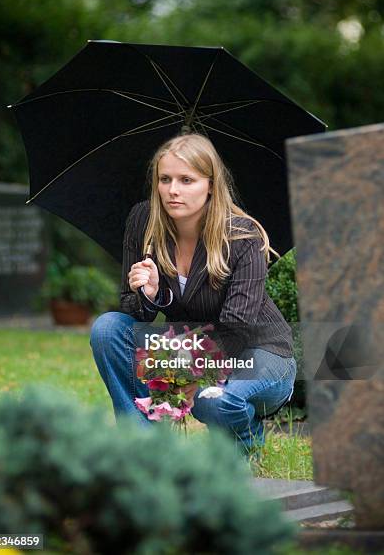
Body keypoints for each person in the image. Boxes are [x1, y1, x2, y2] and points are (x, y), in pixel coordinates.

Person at [90, 133, 296, 454]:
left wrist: (187, 371)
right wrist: (149, 293)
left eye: (187, 180)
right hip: (190, 344)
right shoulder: (143, 221)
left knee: (212, 399)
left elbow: (237, 326)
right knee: (108, 329)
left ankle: (246, 435)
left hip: (260, 351)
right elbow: (134, 311)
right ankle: (143, 446)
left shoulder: (242, 236)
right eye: (165, 179)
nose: (173, 190)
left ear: (211, 185)